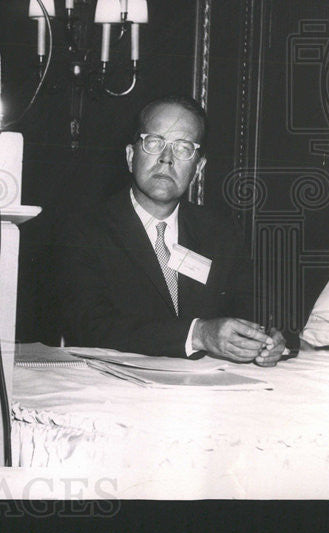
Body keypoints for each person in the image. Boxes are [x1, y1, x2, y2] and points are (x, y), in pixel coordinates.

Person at [57, 94, 289, 365]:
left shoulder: (221, 233)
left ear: (198, 168)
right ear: (131, 156)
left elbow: (252, 307)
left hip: (203, 391)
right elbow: (89, 326)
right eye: (154, 143)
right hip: (114, 386)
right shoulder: (84, 229)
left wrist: (265, 339)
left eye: (183, 148)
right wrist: (198, 335)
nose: (166, 159)